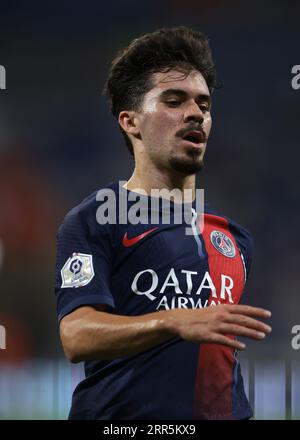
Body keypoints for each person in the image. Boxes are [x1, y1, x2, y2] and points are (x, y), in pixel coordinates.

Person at [55, 26, 272, 420]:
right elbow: (76, 335)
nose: (195, 114)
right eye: (174, 101)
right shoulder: (97, 219)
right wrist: (174, 321)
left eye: (204, 105)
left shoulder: (234, 239)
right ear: (130, 121)